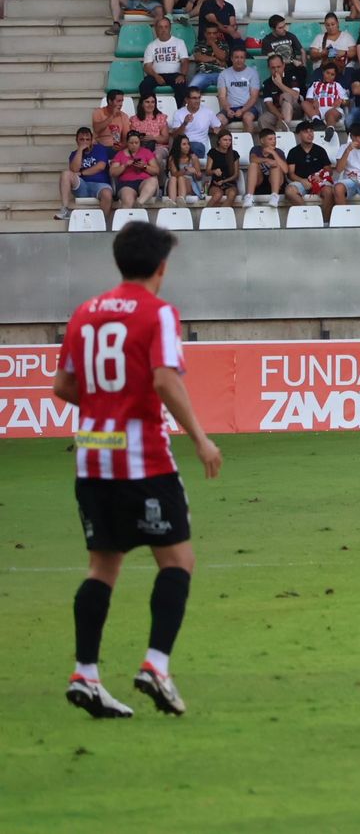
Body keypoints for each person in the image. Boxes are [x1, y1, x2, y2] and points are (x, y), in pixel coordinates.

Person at [55, 220, 222, 719]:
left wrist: (106, 402)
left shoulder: (85, 313)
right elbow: (165, 379)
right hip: (142, 457)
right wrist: (200, 437)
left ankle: (86, 672)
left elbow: (62, 387)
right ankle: (155, 665)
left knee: (102, 567)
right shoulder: (158, 313)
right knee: (177, 562)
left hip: (92, 455)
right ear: (161, 268)